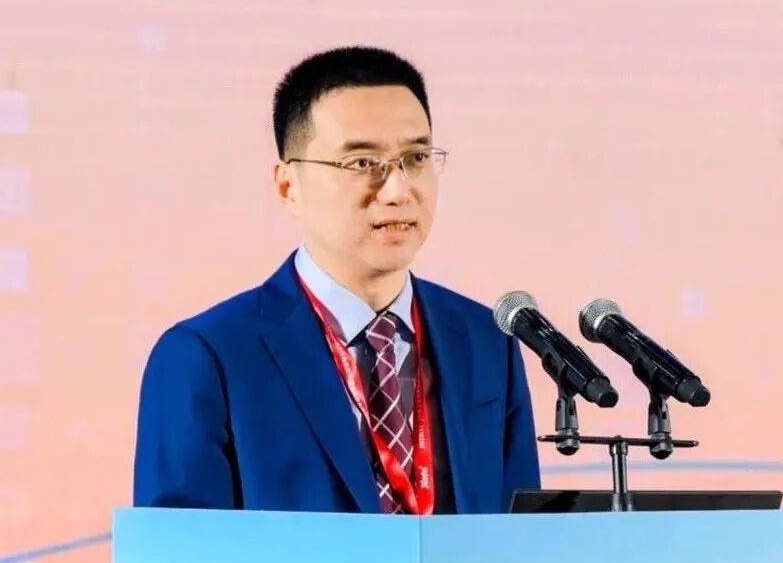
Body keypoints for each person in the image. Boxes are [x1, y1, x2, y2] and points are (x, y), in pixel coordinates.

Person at [133, 46, 540, 514]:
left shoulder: (486, 340)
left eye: (415, 158)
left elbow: (520, 539)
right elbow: (177, 547)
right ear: (288, 186)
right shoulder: (207, 356)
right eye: (362, 163)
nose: (398, 190)